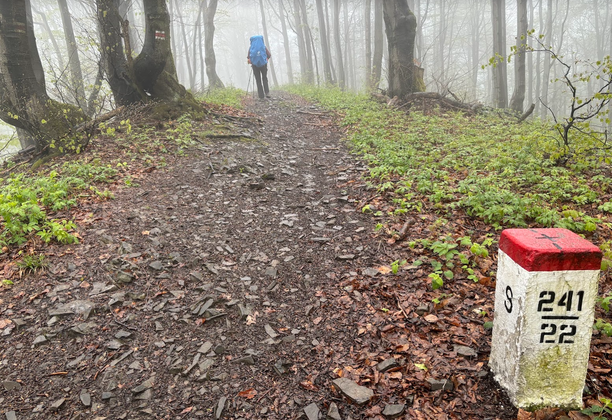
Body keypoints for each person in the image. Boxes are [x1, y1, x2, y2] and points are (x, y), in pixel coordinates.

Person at [247, 35, 271, 99]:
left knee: (258, 80)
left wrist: (252, 61)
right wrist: (266, 59)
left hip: (255, 66)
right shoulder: (263, 47)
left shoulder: (251, 48)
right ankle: (267, 92)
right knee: (264, 78)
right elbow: (269, 55)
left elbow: (248, 58)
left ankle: (261, 95)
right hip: (263, 65)